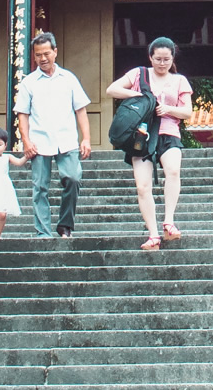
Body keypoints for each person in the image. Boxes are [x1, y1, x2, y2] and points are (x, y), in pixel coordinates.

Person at [106, 36, 193, 250]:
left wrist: (168, 109)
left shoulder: (180, 80)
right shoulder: (139, 74)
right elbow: (112, 90)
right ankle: (153, 234)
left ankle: (169, 221)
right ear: (150, 57)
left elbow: (188, 112)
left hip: (169, 131)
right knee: (142, 186)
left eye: (166, 59)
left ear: (172, 58)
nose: (162, 63)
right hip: (141, 135)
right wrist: (140, 97)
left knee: (173, 171)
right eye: (157, 59)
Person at [14, 31, 92, 237]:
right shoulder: (29, 82)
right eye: (38, 54)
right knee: (40, 188)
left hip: (67, 140)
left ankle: (65, 224)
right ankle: (43, 232)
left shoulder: (69, 78)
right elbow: (22, 114)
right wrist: (26, 141)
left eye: (47, 53)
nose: (43, 58)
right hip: (39, 142)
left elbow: (80, 110)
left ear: (55, 52)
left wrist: (86, 138)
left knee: (73, 178)